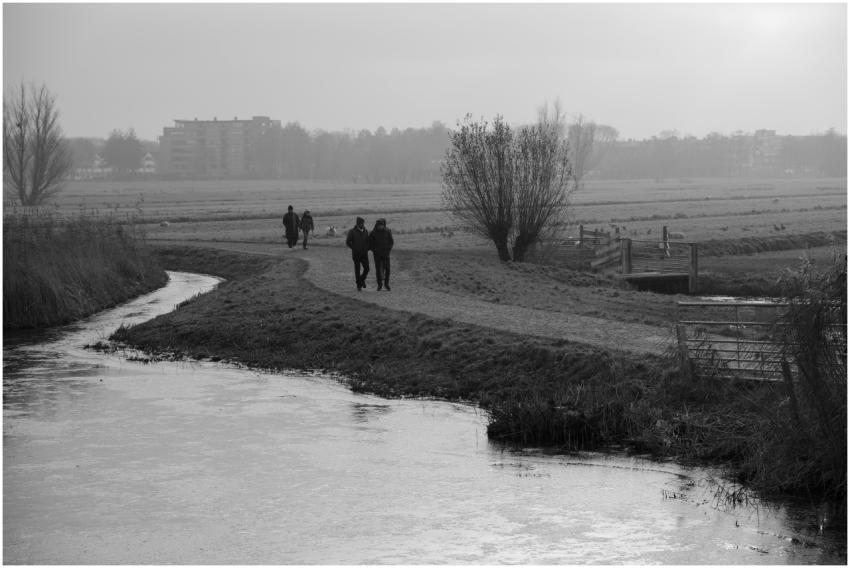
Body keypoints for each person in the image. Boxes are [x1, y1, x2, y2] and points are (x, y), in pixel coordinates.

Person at [368, 218, 394, 291]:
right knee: (378, 270)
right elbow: (370, 243)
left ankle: (386, 284)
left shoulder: (388, 231)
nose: (380, 227)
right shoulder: (373, 233)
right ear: (376, 225)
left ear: (383, 225)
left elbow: (391, 242)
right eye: (379, 225)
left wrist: (388, 249)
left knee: (387, 269)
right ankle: (379, 285)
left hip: (386, 254)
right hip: (377, 255)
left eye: (381, 225)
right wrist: (374, 250)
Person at [345, 216, 370, 290]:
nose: (362, 224)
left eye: (363, 223)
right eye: (361, 223)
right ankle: (359, 285)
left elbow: (368, 241)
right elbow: (348, 242)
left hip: (364, 253)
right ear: (357, 224)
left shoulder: (366, 231)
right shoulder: (352, 231)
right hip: (356, 254)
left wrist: (367, 248)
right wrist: (354, 248)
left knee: (367, 269)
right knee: (357, 269)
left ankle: (361, 280)